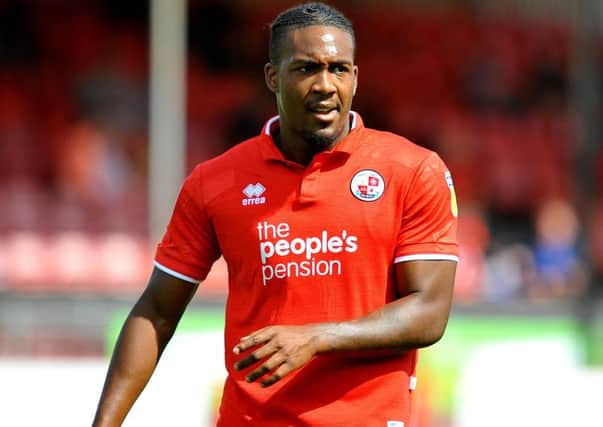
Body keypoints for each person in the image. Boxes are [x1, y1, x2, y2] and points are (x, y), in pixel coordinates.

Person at [93, 3, 459, 426]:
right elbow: (156, 311)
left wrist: (317, 338)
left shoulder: (413, 170)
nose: (326, 85)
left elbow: (430, 311)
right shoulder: (215, 182)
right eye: (307, 69)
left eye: (339, 69)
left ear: (355, 78)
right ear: (273, 77)